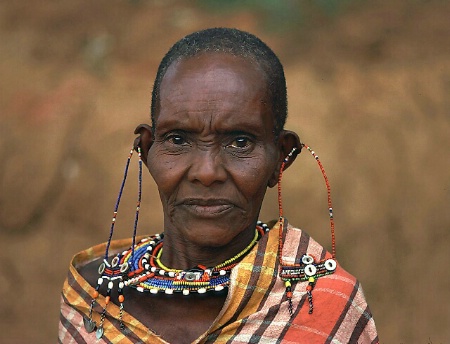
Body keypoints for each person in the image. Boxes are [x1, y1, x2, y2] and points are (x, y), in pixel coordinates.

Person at [59, 28, 378, 343]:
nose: (207, 172)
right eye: (178, 140)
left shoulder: (323, 305)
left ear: (281, 158)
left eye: (240, 142)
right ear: (146, 151)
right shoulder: (93, 297)